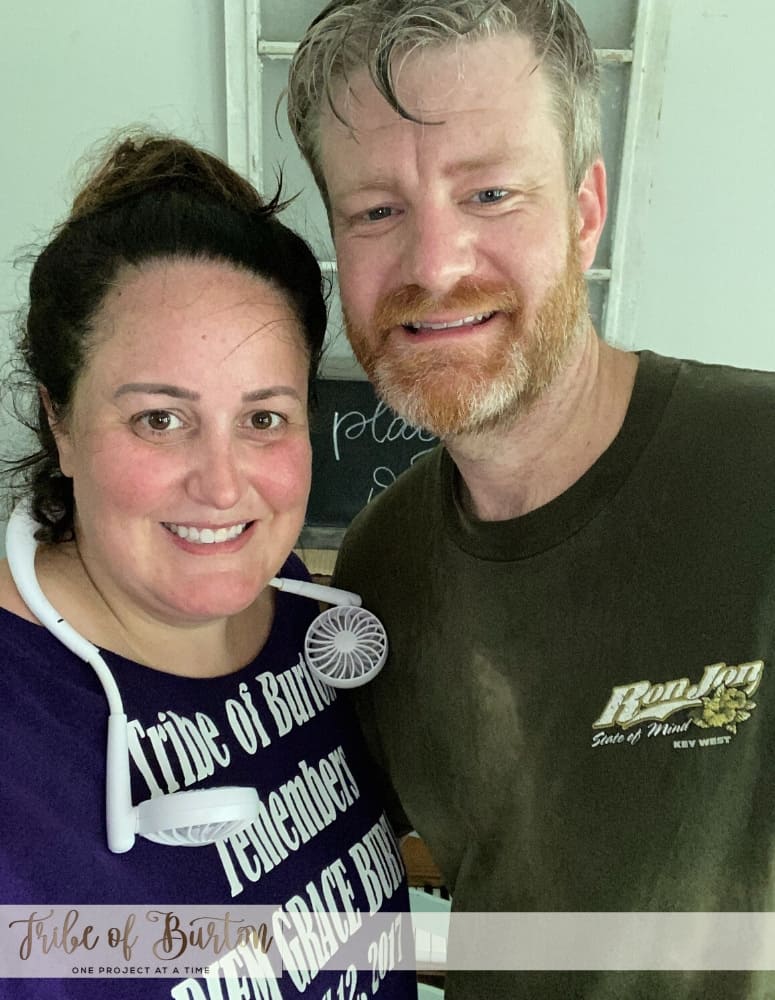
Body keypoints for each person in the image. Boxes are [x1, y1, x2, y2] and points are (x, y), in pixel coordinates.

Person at [286, 2, 775, 998]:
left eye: (492, 192)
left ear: (586, 210)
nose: (433, 265)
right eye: (377, 211)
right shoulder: (377, 569)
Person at [0, 132, 416, 999]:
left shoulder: (307, 617)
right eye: (160, 419)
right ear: (61, 422)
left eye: (263, 418)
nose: (223, 487)